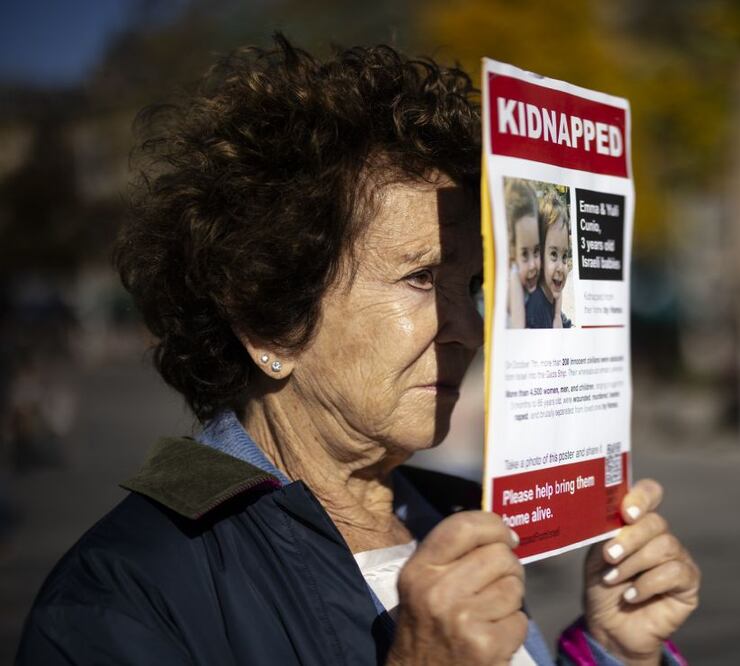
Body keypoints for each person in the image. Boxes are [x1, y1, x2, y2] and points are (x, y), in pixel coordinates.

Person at [17, 35, 699, 665]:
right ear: (268, 324)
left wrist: (613, 649)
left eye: (472, 284)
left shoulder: (456, 518)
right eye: (422, 278)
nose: (469, 326)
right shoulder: (123, 593)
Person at [526, 191, 573, 329]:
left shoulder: (551, 294)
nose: (561, 267)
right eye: (553, 254)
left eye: (564, 256)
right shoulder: (535, 309)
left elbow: (558, 299)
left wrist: (558, 316)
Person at [505, 179, 541, 329]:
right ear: (512, 252)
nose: (533, 265)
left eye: (537, 251)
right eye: (525, 254)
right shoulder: (513, 279)